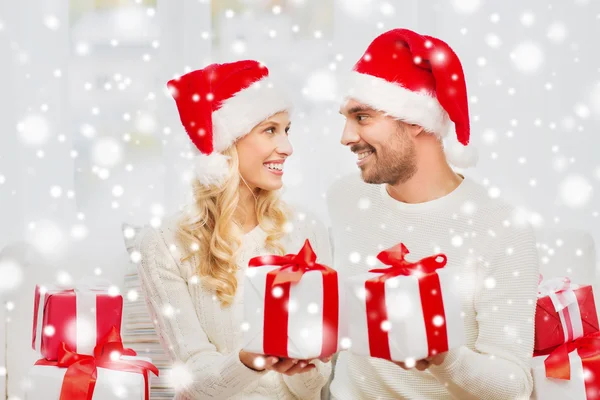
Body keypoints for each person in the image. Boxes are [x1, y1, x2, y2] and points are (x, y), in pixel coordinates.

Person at [327, 28, 539, 399]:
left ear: (416, 121)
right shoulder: (345, 198)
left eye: (362, 117)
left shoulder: (500, 227)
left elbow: (514, 385)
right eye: (346, 117)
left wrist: (445, 356)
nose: (345, 136)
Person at [136, 60, 332, 399]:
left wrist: (307, 364)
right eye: (270, 130)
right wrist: (249, 363)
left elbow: (318, 382)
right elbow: (193, 379)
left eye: (287, 130)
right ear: (227, 144)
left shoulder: (306, 230)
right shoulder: (165, 244)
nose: (287, 147)